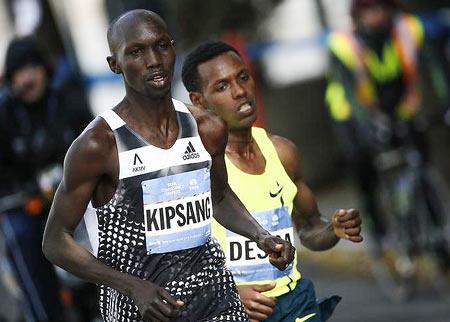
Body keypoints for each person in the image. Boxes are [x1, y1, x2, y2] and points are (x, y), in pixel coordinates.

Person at [42, 9, 295, 322]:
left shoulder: (206, 127)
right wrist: (133, 287)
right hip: (141, 311)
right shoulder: (99, 144)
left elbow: (217, 197)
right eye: (136, 52)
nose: (153, 60)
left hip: (218, 303)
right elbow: (55, 241)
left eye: (162, 46)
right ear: (115, 64)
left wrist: (261, 235)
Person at [181, 41, 363, 322]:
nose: (240, 91)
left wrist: (334, 229)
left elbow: (309, 228)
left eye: (243, 77)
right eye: (222, 86)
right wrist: (229, 292)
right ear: (199, 100)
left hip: (296, 304)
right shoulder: (193, 170)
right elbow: (173, 265)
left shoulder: (282, 153)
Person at [0, 37, 92, 321]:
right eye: (19, 72)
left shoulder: (68, 101)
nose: (27, 78)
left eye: (32, 68)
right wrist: (27, 189)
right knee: (19, 233)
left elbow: (96, 144)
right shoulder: (4, 115)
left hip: (77, 197)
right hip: (26, 205)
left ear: (44, 69)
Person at [324, 0, 429, 240]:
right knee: (363, 161)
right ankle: (373, 219)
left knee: (419, 155)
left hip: (391, 105)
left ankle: (433, 230)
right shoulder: (343, 44)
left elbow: (428, 70)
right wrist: (371, 124)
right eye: (368, 10)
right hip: (350, 113)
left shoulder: (407, 29)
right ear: (358, 16)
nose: (376, 15)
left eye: (380, 8)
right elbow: (352, 93)